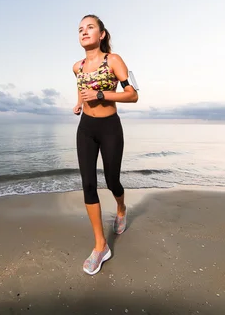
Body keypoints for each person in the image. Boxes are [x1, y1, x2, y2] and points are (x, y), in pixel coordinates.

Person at [72, 14, 139, 275]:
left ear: (101, 34)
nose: (84, 32)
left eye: (90, 28)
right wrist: (80, 102)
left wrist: (100, 94)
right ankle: (101, 246)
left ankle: (121, 208)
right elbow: (81, 85)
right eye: (80, 29)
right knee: (88, 183)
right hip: (86, 129)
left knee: (112, 181)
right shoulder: (77, 66)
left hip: (110, 128)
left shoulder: (113, 60)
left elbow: (133, 94)